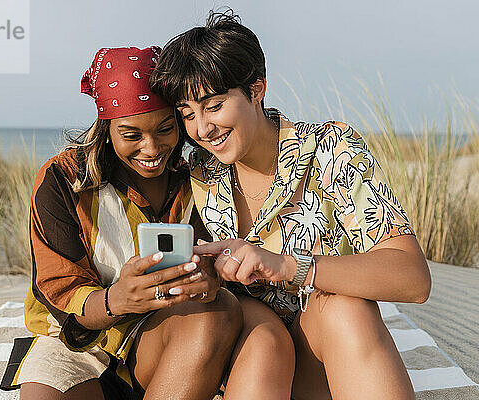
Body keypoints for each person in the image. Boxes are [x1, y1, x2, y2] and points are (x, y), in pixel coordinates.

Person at [150, 11, 431, 400]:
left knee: (344, 307)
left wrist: (291, 267)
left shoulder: (331, 150)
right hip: (254, 358)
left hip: (324, 356)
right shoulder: (197, 173)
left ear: (257, 89)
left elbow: (412, 278)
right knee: (263, 336)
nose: (201, 129)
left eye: (213, 105)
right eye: (187, 115)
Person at [0, 46, 242, 400]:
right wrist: (117, 300)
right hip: (74, 346)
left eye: (165, 129)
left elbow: (218, 253)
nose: (152, 148)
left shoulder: (199, 178)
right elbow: (61, 293)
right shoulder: (64, 180)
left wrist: (209, 276)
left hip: (159, 338)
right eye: (131, 135)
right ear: (107, 128)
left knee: (218, 309)